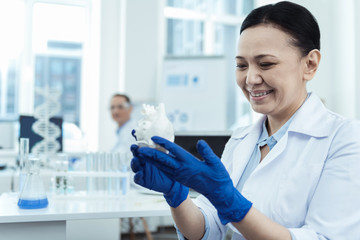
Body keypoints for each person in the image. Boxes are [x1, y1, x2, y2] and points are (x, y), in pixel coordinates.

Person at [130, 1, 360, 240]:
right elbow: (209, 228)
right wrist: (177, 195)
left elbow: (326, 237)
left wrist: (234, 205)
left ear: (310, 64)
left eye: (266, 64)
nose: (250, 79)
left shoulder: (345, 139)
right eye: (241, 65)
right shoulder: (241, 140)